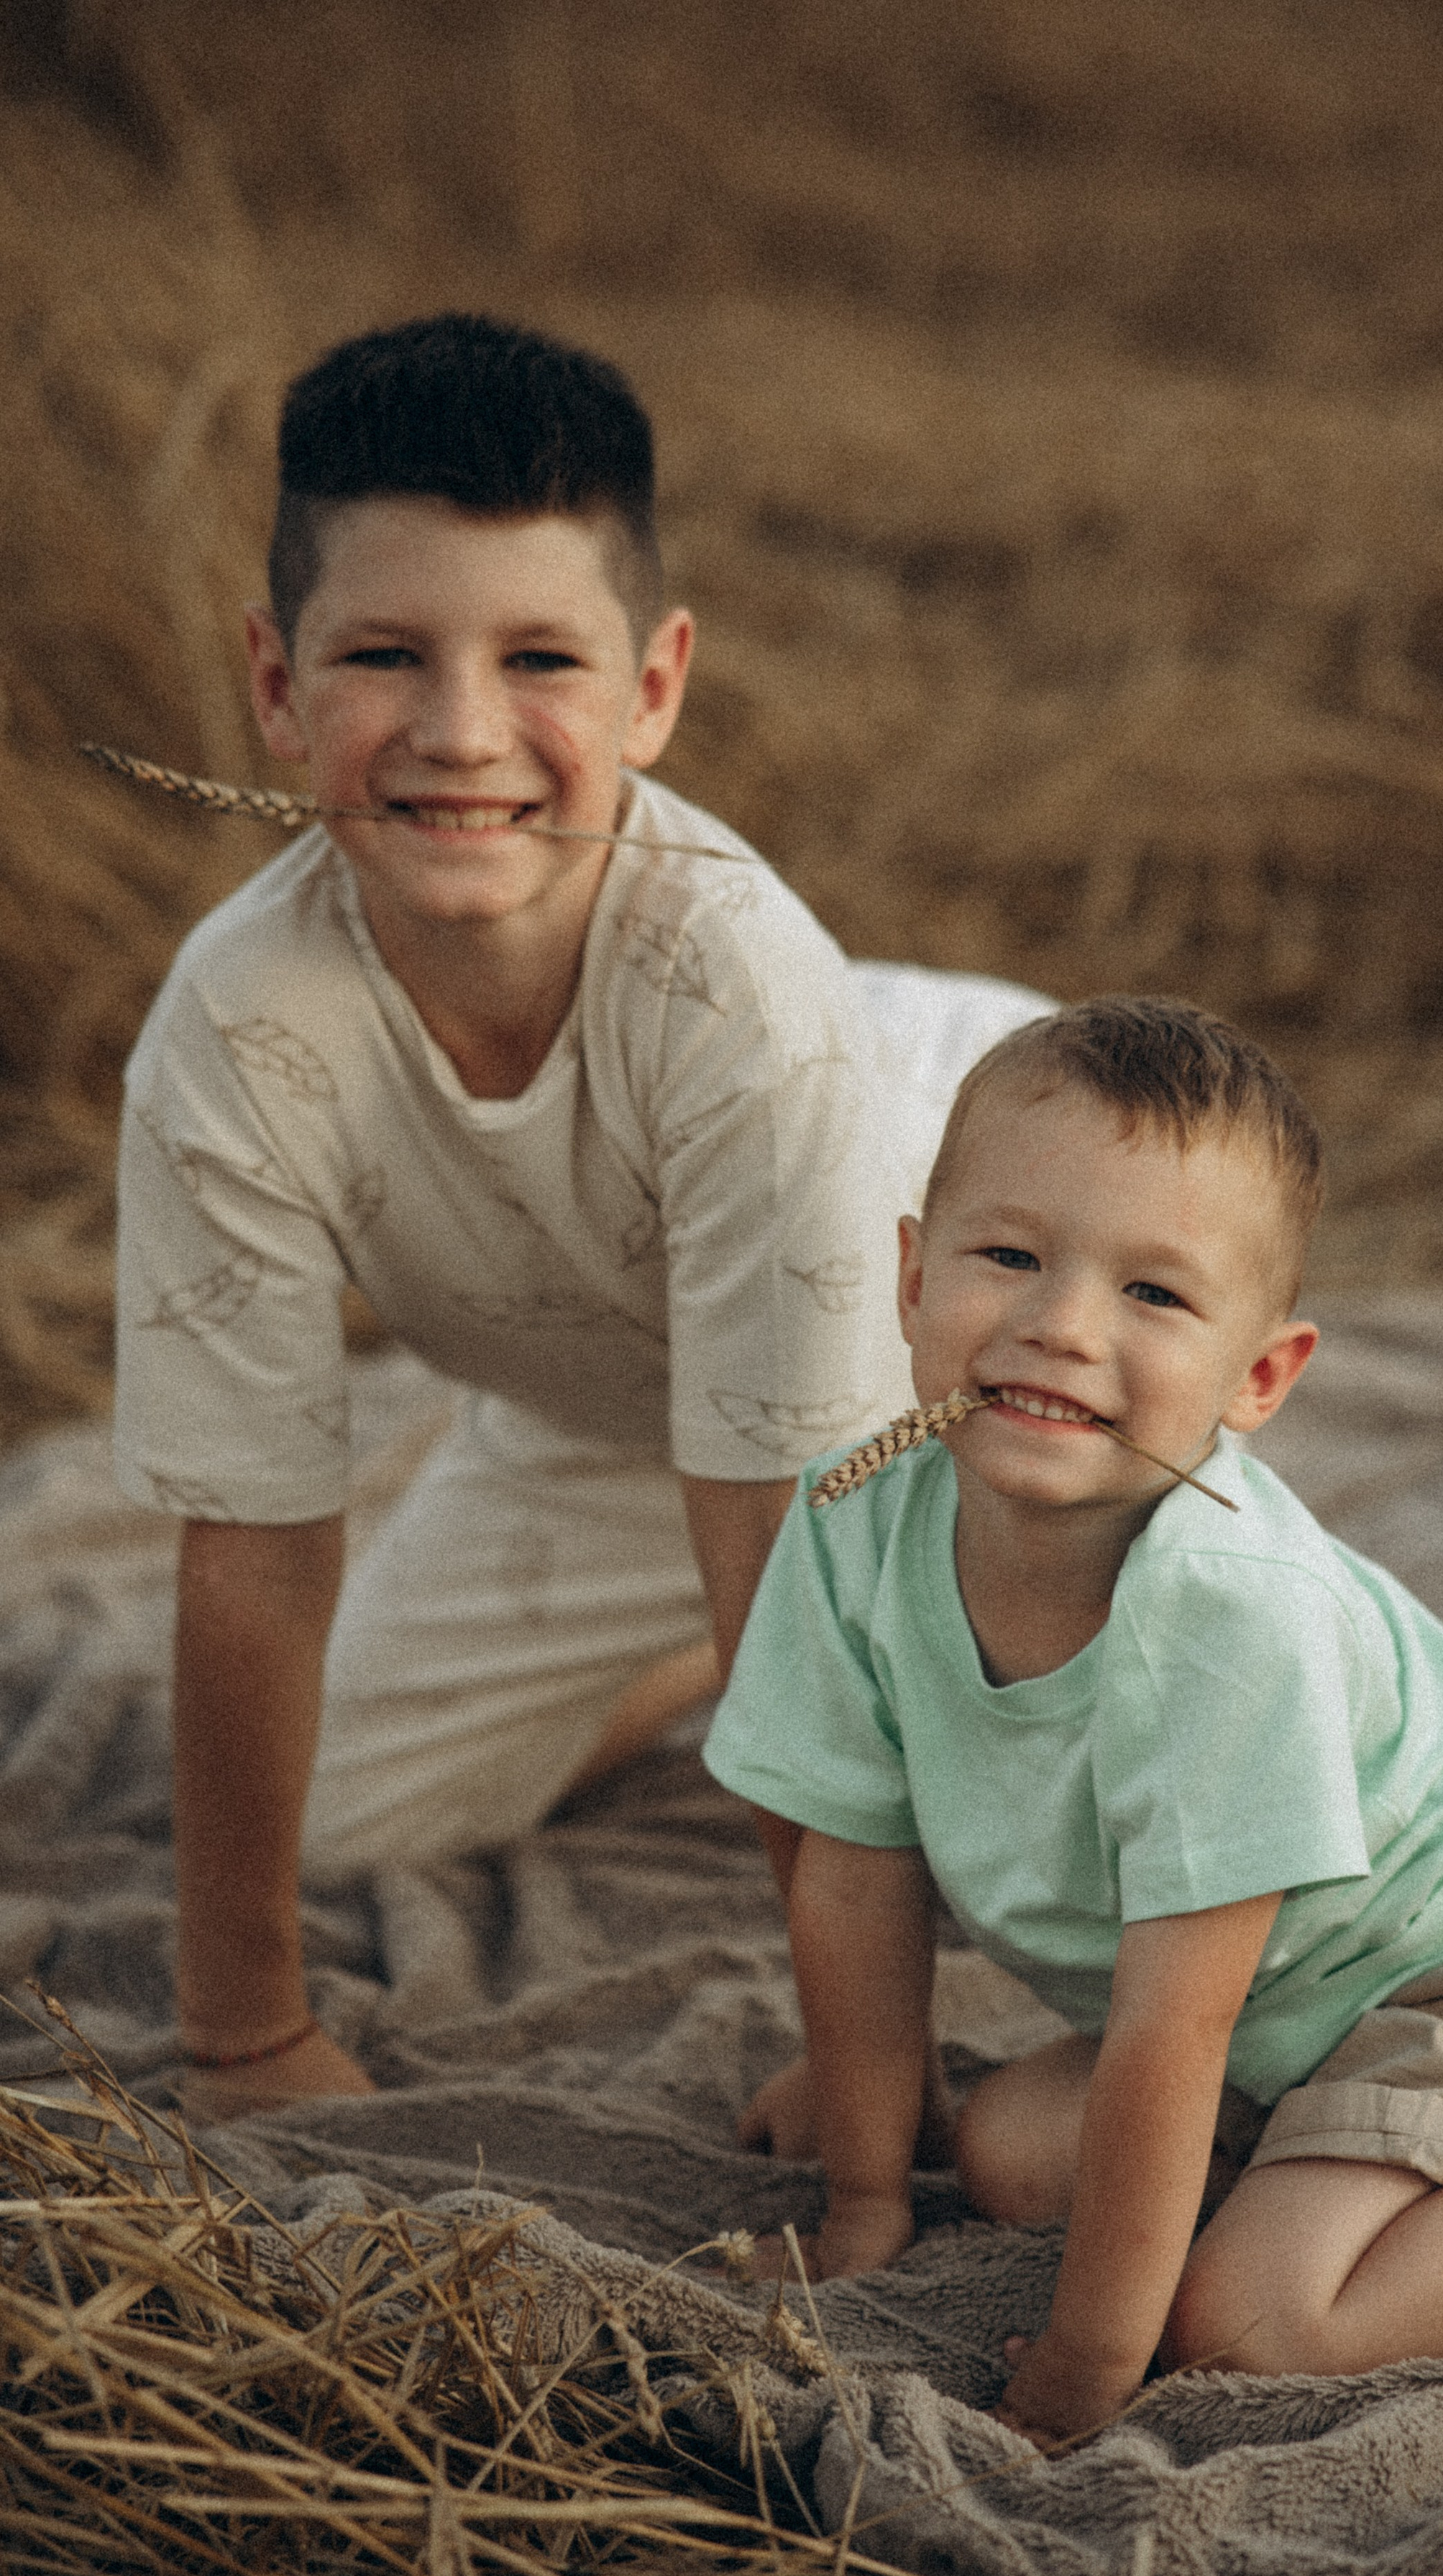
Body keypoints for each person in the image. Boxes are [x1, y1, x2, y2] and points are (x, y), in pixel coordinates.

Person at [114, 314, 1042, 2119]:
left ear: (655, 685)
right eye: (386, 653)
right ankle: (661, 1660)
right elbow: (254, 1535)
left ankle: (1026, 1570)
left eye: (539, 656)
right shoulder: (235, 1024)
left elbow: (775, 1531)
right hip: (605, 1385)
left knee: (1039, 1835)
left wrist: (859, 2066)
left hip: (942, 1333)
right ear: (276, 683)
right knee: (335, 1809)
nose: (464, 734)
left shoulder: (736, 1000)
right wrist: (244, 2030)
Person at [704, 995, 1443, 2443]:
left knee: (1246, 2326)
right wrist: (865, 2198)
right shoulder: (850, 1519)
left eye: (1153, 1296)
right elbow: (853, 1880)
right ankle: (1356, 2171)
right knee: (1009, 2155)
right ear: (914, 1276)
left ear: (1260, 1377)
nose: (1059, 1326)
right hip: (1294, 2010)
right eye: (1009, 1257)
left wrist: (1085, 2362)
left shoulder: (1227, 1611)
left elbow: (1171, 2033)